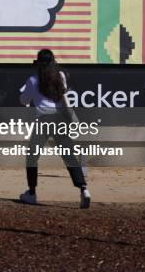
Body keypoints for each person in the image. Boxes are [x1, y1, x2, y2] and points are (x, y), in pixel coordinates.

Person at [18, 49, 90, 208]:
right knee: (69, 156)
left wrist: (24, 93)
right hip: (59, 120)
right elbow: (63, 97)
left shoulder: (32, 80)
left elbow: (24, 101)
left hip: (44, 120)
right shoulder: (61, 76)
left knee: (32, 157)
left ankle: (31, 192)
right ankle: (84, 189)